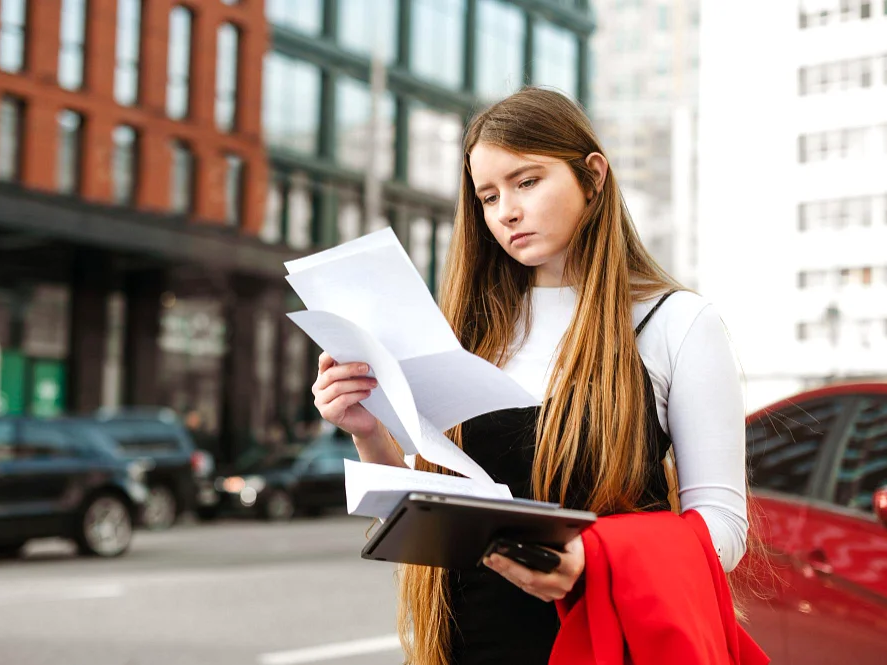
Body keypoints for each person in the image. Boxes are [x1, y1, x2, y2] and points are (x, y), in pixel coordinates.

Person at [311, 88, 752, 664]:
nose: (506, 212)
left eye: (526, 182)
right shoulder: (468, 333)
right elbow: (425, 525)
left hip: (609, 643)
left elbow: (723, 530)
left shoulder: (676, 322)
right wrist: (368, 431)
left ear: (593, 177)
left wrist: (595, 559)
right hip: (473, 645)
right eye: (488, 196)